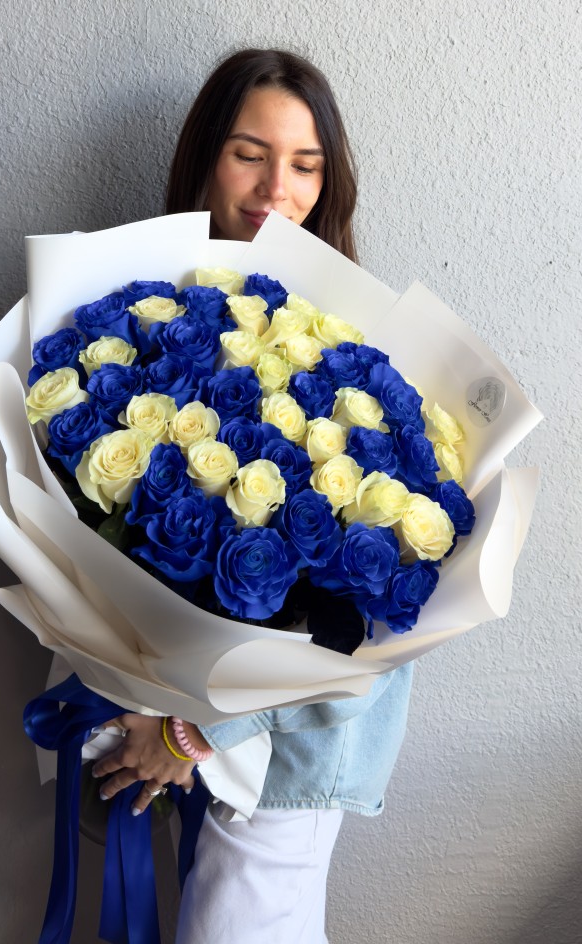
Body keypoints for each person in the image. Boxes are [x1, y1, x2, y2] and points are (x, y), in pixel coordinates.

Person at [90, 48, 414, 944]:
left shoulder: (357, 347)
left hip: (288, 743)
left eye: (306, 164)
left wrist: (193, 734)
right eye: (250, 153)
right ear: (204, 158)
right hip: (170, 709)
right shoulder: (157, 312)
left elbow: (357, 616)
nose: (279, 186)